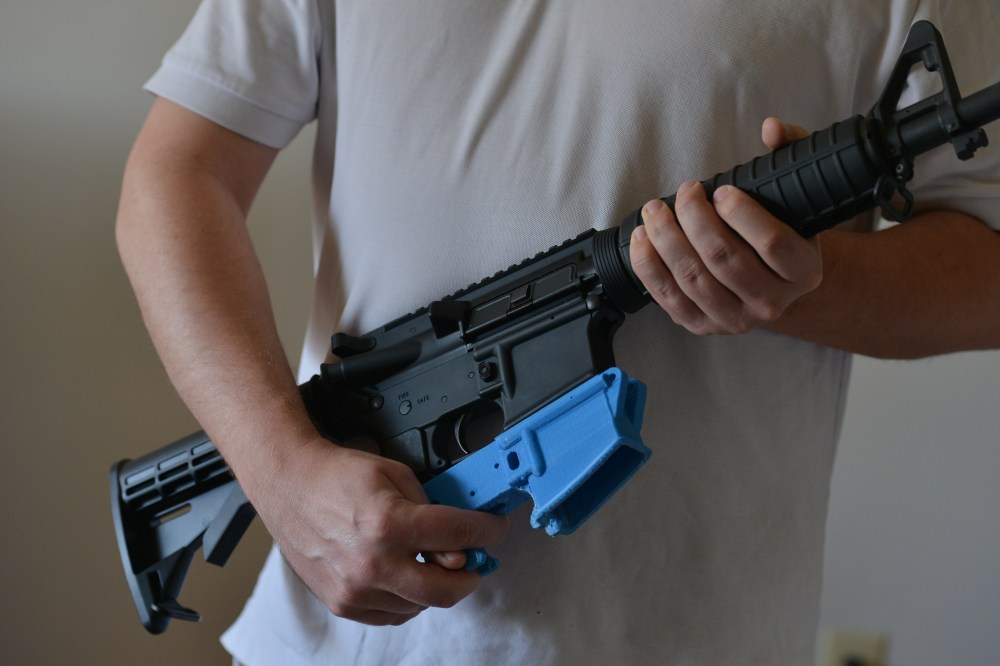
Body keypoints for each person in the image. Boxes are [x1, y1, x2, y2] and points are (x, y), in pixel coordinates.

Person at [116, 1, 1000, 663]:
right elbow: (177, 175)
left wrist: (804, 285)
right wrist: (280, 473)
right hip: (346, 641)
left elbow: (985, 271)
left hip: (694, 632)